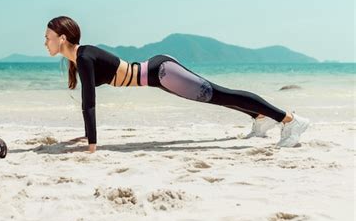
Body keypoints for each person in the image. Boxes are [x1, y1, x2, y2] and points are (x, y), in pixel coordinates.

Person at [44, 16, 310, 153]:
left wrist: (92, 146)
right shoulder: (80, 58)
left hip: (162, 73)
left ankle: (289, 120)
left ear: (63, 38)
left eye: (48, 37)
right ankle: (260, 117)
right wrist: (86, 137)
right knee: (217, 95)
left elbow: (89, 104)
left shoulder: (85, 56)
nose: (45, 42)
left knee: (218, 94)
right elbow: (87, 103)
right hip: (157, 73)